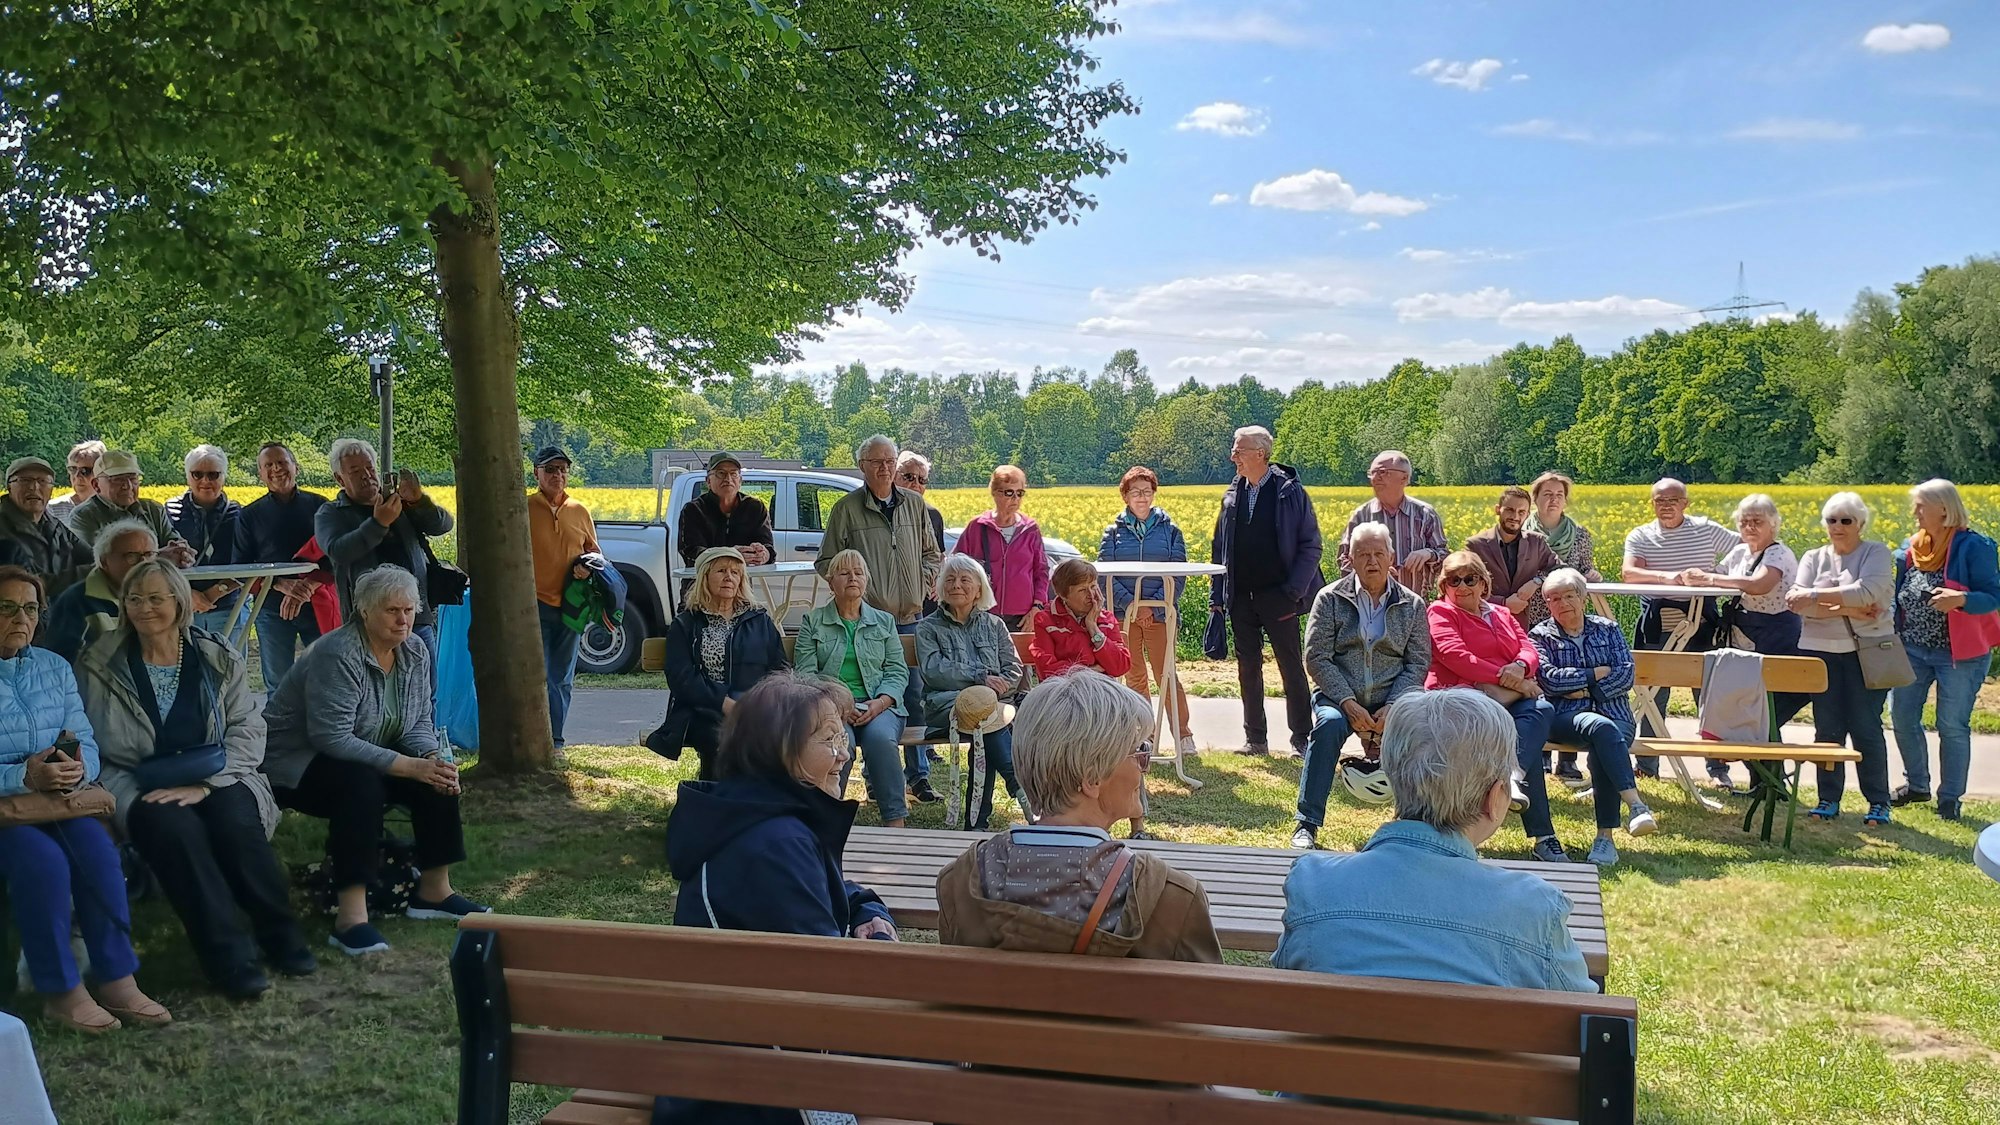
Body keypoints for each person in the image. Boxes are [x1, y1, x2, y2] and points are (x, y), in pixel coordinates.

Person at [657, 672, 897, 1125]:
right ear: (780, 754)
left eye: (843, 737)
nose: (844, 754)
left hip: (724, 1070)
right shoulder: (778, 844)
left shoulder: (747, 816)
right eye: (828, 740)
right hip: (755, 1091)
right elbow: (835, 985)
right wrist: (881, 950)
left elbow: (816, 896)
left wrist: (864, 906)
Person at [75, 560, 314, 998]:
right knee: (176, 830)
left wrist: (205, 785)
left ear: (180, 603)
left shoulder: (216, 654)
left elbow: (247, 729)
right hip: (135, 779)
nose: (144, 608)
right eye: (133, 598)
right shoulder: (99, 662)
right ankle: (229, 960)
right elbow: (90, 739)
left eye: (155, 598)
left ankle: (282, 937)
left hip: (218, 773)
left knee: (235, 822)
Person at [1274, 689, 1596, 993]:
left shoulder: (1312, 884)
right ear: (1496, 797)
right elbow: (1585, 1018)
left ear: (1393, 780)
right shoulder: (1534, 909)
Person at [262, 566, 487, 957]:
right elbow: (330, 737)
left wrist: (430, 757)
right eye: (391, 611)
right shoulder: (338, 653)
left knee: (435, 777)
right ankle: (351, 918)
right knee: (359, 787)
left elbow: (416, 722)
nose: (403, 619)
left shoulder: (415, 650)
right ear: (364, 612)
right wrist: (407, 765)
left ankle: (433, 892)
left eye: (408, 610)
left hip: (365, 754)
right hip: (298, 762)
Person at [937, 669, 1222, 961]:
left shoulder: (960, 881)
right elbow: (1210, 1003)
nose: (1144, 767)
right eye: (1139, 752)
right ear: (1092, 778)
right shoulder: (1170, 898)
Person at [0, 565, 172, 1032]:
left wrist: (79, 768)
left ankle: (118, 979)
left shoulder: (53, 667)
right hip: (6, 813)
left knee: (98, 854)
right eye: (8, 607)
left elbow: (86, 739)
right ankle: (61, 991)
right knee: (44, 866)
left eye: (31, 608)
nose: (22, 617)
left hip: (59, 801)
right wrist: (24, 775)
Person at [1425, 551, 1574, 864]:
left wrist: (1520, 666)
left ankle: (1510, 778)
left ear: (1483, 582)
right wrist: (1514, 682)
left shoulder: (1501, 614)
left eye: (1470, 578)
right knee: (1523, 740)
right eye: (1454, 580)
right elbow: (1455, 656)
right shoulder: (1440, 612)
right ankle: (1543, 836)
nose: (1462, 586)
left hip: (1503, 701)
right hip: (1462, 700)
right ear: (1444, 585)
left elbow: (1527, 648)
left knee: (1540, 712)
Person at [1291, 523, 1430, 850]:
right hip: (1339, 696)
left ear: (1391, 557)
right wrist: (1347, 702)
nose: (1372, 561)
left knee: (1422, 728)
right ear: (1349, 558)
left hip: (1393, 698)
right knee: (1328, 725)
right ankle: (1307, 823)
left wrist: (1394, 704)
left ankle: (1415, 826)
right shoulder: (1329, 599)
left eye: (1378, 553)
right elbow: (1316, 658)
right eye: (1363, 554)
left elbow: (1417, 662)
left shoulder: (1412, 605)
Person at [815, 434, 940, 793]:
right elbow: (826, 561)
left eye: (889, 462)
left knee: (913, 696)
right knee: (872, 694)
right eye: (877, 462)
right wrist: (855, 592)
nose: (885, 468)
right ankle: (877, 779)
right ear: (862, 467)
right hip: (867, 621)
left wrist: (923, 580)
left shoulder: (914, 506)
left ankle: (919, 776)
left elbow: (932, 553)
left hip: (911, 616)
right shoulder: (846, 509)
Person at [1531, 569, 1658, 867]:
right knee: (1601, 729)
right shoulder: (1540, 635)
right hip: (1566, 719)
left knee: (1606, 737)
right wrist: (1595, 675)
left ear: (1583, 597)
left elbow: (1625, 674)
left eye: (1569, 596)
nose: (1562, 603)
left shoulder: (1608, 629)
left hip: (1615, 715)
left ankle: (1605, 838)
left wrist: (1587, 692)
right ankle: (1635, 807)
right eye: (1554, 599)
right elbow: (1550, 680)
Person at [1210, 425, 1324, 757]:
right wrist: (1218, 596)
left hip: (1280, 595)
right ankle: (1255, 739)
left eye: (1239, 450)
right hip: (1241, 596)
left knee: (1290, 666)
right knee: (1247, 667)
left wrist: (1293, 590)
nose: (1233, 457)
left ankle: (1302, 738)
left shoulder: (1290, 491)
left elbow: (1310, 546)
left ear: (1260, 454)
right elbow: (1221, 548)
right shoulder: (1233, 492)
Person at [1890, 479, 2000, 822]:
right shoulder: (1911, 548)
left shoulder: (1975, 546)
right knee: (1902, 717)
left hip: (1960, 654)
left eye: (1921, 505)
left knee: (1951, 725)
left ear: (1944, 508)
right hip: (1912, 648)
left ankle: (1950, 797)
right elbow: (1898, 594)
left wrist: (1962, 600)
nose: (1915, 512)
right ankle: (1917, 785)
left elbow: (1994, 595)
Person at [1786, 493, 1897, 826]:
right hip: (1821, 655)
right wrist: (1852, 608)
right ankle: (1827, 799)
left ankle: (1878, 801)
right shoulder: (1813, 556)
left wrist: (1817, 597)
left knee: (1865, 727)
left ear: (1860, 524)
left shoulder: (1875, 552)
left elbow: (1868, 593)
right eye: (1831, 520)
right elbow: (1795, 602)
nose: (1837, 526)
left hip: (1867, 653)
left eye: (1846, 520)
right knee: (1827, 729)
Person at [1682, 494, 1802, 792]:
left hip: (1779, 640)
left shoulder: (1778, 554)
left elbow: (1761, 584)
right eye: (1744, 522)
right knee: (1752, 711)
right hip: (1746, 640)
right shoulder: (1740, 554)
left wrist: (1710, 581)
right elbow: (1719, 576)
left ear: (1773, 525)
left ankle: (1770, 783)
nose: (1749, 527)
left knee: (1767, 712)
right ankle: (1766, 782)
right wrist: (1695, 577)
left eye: (1757, 521)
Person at [1621, 477, 1738, 777]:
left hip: (1702, 623)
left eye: (1673, 500)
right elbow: (1629, 573)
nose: (1666, 506)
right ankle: (1647, 766)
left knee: (1709, 693)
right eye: (1660, 500)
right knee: (1653, 693)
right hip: (1657, 624)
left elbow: (1745, 551)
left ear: (1686, 503)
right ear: (1652, 503)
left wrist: (1714, 576)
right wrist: (1667, 579)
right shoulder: (1641, 534)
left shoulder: (1706, 529)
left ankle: (1717, 767)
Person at [792, 549, 917, 819]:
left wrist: (881, 701)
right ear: (830, 582)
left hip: (880, 706)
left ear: (866, 580)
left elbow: (897, 670)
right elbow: (805, 674)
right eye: (844, 573)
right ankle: (826, 816)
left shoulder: (884, 622)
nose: (852, 578)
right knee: (839, 742)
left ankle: (895, 820)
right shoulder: (813, 622)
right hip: (831, 708)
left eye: (858, 573)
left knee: (881, 739)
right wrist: (840, 706)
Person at [653, 547, 788, 783]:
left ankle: (757, 805)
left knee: (772, 734)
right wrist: (725, 704)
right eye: (721, 571)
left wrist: (762, 705)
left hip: (754, 707)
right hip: (702, 710)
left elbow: (780, 670)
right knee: (721, 735)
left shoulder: (759, 620)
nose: (729, 577)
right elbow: (682, 679)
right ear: (705, 577)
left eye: (736, 572)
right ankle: (717, 803)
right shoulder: (686, 624)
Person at [314, 438, 454, 656]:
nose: (366, 475)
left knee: (425, 686)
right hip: (367, 621)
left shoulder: (398, 502)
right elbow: (338, 551)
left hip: (415, 616)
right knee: (373, 687)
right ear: (339, 479)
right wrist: (379, 523)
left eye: (370, 467)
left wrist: (419, 501)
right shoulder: (330, 513)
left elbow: (443, 525)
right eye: (355, 470)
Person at [920, 554, 1026, 831]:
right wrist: (979, 678)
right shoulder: (928, 627)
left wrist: (999, 685)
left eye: (965, 580)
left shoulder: (995, 626)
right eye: (950, 580)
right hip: (946, 706)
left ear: (979, 589)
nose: (956, 585)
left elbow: (1014, 670)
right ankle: (1020, 789)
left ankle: (975, 823)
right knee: (986, 718)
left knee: (986, 722)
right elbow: (933, 671)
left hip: (993, 710)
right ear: (941, 588)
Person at [1097, 466, 1194, 754]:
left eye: (1147, 491)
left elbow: (1178, 574)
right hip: (1124, 616)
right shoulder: (1113, 532)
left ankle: (1183, 735)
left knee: (1166, 674)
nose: (1142, 496)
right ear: (1125, 496)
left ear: (1154, 493)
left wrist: (1151, 605)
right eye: (1135, 491)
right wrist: (1131, 605)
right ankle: (1145, 736)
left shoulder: (1171, 530)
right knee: (1134, 675)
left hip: (1161, 614)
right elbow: (1105, 575)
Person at [1523, 471, 1604, 786]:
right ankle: (1540, 753)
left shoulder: (1581, 535)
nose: (1553, 498)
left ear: (1565, 499)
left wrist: (1592, 574)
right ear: (1536, 498)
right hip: (1533, 617)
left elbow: (1583, 570)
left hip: (1569, 617)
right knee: (1540, 679)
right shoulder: (1524, 534)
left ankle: (1567, 759)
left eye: (1559, 493)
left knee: (1571, 679)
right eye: (1547, 493)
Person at [234, 442, 331, 690]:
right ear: (260, 474)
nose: (276, 469)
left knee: (326, 678)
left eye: (282, 462)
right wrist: (280, 584)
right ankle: (281, 730)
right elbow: (241, 568)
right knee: (279, 684)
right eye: (269, 465)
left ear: (296, 468)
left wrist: (307, 586)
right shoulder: (249, 515)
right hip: (271, 609)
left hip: (319, 604)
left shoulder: (321, 507)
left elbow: (337, 555)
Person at [527, 446, 599, 749]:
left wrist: (587, 566)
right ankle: (535, 740)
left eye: (562, 469)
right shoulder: (523, 507)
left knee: (562, 677)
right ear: (537, 473)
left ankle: (555, 741)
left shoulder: (579, 511)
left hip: (571, 606)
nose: (558, 475)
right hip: (534, 605)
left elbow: (595, 553)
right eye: (551, 469)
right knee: (538, 675)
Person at [41, 519, 158, 663]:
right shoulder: (76, 602)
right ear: (104, 562)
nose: (143, 563)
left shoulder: (165, 595)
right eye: (131, 556)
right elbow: (63, 664)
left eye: (149, 554)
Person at [1338, 450, 1448, 596]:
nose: (1376, 478)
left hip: (1415, 606)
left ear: (1404, 478)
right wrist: (1369, 575)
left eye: (1383, 472)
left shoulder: (1425, 514)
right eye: (1372, 472)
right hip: (1370, 605)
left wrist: (1429, 554)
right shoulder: (1361, 515)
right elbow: (1344, 559)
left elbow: (1445, 559)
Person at [952, 464, 1049, 629]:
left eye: (1020, 493)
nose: (1016, 499)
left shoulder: (1030, 529)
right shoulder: (977, 526)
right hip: (981, 613)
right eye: (1009, 493)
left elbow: (1042, 572)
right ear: (994, 493)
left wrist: (1037, 607)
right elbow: (955, 566)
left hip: (1022, 617)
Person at [164, 444, 245, 636]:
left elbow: (247, 559)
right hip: (182, 607)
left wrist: (213, 593)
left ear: (224, 477)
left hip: (228, 607)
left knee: (228, 664)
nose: (205, 481)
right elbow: (159, 561)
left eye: (213, 475)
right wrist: (189, 595)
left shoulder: (239, 515)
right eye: (197, 474)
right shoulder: (168, 511)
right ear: (187, 476)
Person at [68, 450, 193, 565]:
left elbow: (174, 543)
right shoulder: (83, 516)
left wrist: (182, 552)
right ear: (96, 485)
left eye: (133, 478)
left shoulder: (153, 510)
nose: (127, 486)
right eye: (117, 479)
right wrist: (158, 557)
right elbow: (93, 563)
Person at [1465, 487, 1561, 625]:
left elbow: (1561, 569)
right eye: (1510, 510)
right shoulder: (1475, 545)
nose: (1515, 517)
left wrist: (1537, 581)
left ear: (1527, 514)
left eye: (1521, 512)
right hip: (1486, 623)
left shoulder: (1536, 542)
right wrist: (1503, 603)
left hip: (1526, 625)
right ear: (1498, 510)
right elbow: (1464, 589)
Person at [1, 456, 94, 596]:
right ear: (9, 486)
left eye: (43, 481)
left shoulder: (54, 524)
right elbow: (30, 584)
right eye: (25, 480)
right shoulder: (3, 530)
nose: (34, 487)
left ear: (51, 488)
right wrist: (94, 574)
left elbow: (93, 558)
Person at [675, 452, 772, 567]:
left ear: (740, 481)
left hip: (740, 581)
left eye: (733, 473)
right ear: (708, 481)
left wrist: (764, 554)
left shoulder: (755, 508)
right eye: (721, 473)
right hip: (701, 581)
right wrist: (730, 555)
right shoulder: (693, 510)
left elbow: (768, 546)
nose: (728, 479)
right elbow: (690, 551)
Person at [898, 451, 948, 613]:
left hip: (926, 597)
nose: (916, 484)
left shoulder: (933, 515)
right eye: (909, 477)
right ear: (894, 476)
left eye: (922, 480)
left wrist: (938, 581)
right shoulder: (885, 511)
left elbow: (940, 555)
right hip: (893, 596)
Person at [47, 440, 105, 529]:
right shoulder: (53, 509)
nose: (77, 476)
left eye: (85, 471)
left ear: (101, 473)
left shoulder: (114, 509)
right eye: (73, 469)